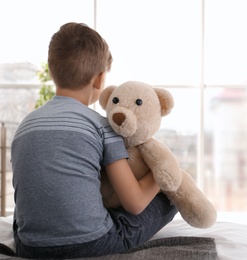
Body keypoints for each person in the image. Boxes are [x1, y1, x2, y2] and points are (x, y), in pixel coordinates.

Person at [11, 22, 177, 259]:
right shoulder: (102, 126)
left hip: (30, 247)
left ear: (51, 71)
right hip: (91, 245)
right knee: (170, 199)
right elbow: (135, 204)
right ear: (100, 80)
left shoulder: (24, 125)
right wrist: (162, 173)